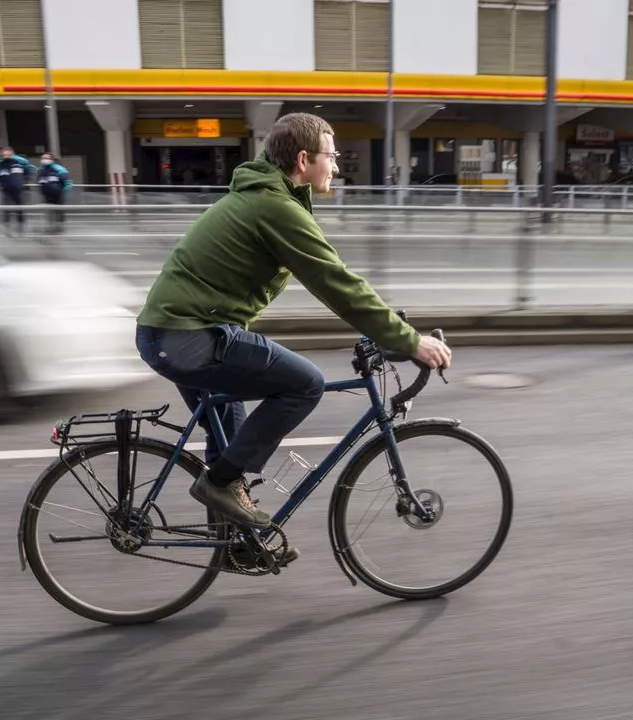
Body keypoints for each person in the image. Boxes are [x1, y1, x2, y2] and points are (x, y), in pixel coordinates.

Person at [134, 112, 452, 539]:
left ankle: (233, 544)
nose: (337, 166)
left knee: (229, 439)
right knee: (305, 383)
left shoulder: (267, 197)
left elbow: (335, 283)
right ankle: (219, 484)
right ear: (304, 159)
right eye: (332, 156)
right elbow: (336, 283)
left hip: (177, 333)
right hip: (188, 336)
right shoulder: (275, 207)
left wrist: (387, 330)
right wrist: (408, 340)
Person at [0, 147, 36, 235]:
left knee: (20, 209)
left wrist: (24, 181)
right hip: (5, 190)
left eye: (9, 154)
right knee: (6, 210)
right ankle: (7, 229)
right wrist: (0, 184)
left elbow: (31, 171)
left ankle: (21, 229)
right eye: (4, 155)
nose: (7, 156)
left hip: (18, 190)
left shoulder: (20, 164)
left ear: (13, 155)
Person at [36, 153, 73, 234]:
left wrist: (61, 192)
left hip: (58, 195)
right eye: (43, 158)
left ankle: (59, 227)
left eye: (47, 158)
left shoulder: (60, 169)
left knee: (59, 211)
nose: (44, 160)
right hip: (46, 195)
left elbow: (68, 183)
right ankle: (50, 227)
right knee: (49, 212)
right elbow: (39, 182)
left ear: (52, 160)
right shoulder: (40, 170)